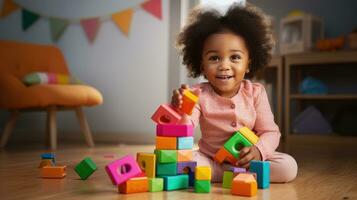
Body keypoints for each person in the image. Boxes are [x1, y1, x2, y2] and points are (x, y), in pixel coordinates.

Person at [171, 3, 297, 183]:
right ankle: (227, 175)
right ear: (202, 66)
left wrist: (258, 151)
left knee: (288, 166)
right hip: (211, 161)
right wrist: (181, 109)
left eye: (235, 57)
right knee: (179, 161)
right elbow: (183, 133)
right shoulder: (197, 94)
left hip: (248, 161)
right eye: (214, 58)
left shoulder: (255, 93)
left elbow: (270, 132)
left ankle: (231, 174)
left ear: (248, 65)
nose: (224, 65)